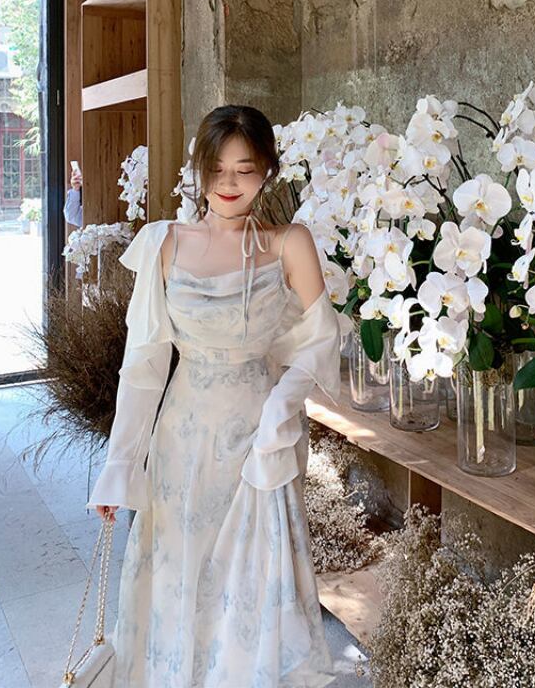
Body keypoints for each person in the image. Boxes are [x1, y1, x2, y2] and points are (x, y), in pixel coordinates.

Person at [85, 104, 343, 686]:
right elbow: (144, 366)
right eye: (217, 169)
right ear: (198, 169)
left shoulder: (289, 243)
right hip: (182, 444)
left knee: (251, 591)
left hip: (258, 443)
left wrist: (281, 409)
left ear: (267, 171)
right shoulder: (164, 243)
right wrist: (120, 466)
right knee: (178, 579)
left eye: (245, 170)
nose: (229, 184)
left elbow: (321, 341)